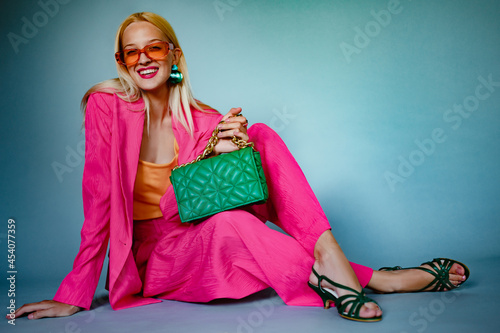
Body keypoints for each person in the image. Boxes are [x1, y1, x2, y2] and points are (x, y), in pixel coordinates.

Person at [11, 12, 469, 323]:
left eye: (154, 48)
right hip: (157, 259)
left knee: (262, 136)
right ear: (121, 62)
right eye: (132, 52)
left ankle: (328, 254)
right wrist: (74, 294)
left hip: (205, 232)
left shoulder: (206, 121)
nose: (143, 58)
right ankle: (374, 279)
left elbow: (226, 203)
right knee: (229, 224)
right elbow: (99, 204)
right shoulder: (106, 107)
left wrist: (226, 151)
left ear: (174, 56)